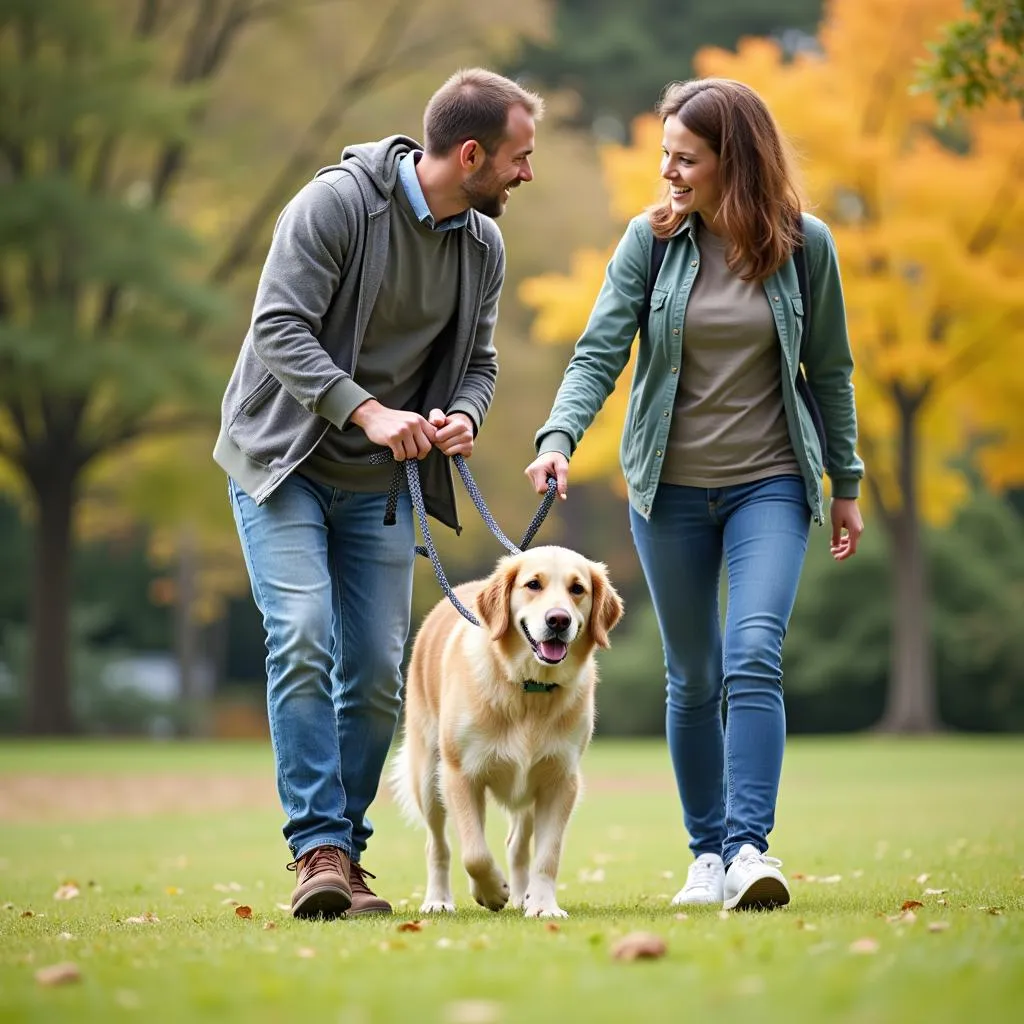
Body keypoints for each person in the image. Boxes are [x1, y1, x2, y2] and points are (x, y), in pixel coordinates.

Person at [525, 78, 863, 911]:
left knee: (752, 653)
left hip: (771, 484)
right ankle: (705, 853)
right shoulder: (650, 244)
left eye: (687, 158)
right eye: (666, 156)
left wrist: (845, 482)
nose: (670, 172)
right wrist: (559, 437)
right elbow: (598, 351)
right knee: (693, 673)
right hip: (668, 490)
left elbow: (830, 373)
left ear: (734, 162)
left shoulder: (805, 247)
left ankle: (749, 849)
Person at [215, 68, 544, 919]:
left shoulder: (482, 244)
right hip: (282, 464)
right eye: (519, 158)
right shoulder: (334, 207)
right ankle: (318, 848)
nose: (527, 174)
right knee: (302, 635)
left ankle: (346, 858)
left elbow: (479, 361)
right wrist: (366, 410)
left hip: (381, 488)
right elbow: (276, 328)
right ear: (469, 154)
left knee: (373, 674)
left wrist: (464, 414)